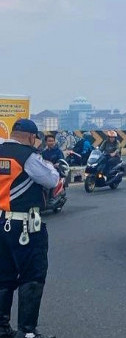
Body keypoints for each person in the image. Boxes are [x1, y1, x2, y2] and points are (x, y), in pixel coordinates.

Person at [0, 119, 59, 338]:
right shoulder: (28, 157)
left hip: (1, 223)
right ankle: (27, 332)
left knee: (4, 276)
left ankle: (2, 328)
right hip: (25, 227)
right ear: (31, 137)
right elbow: (52, 180)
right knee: (32, 276)